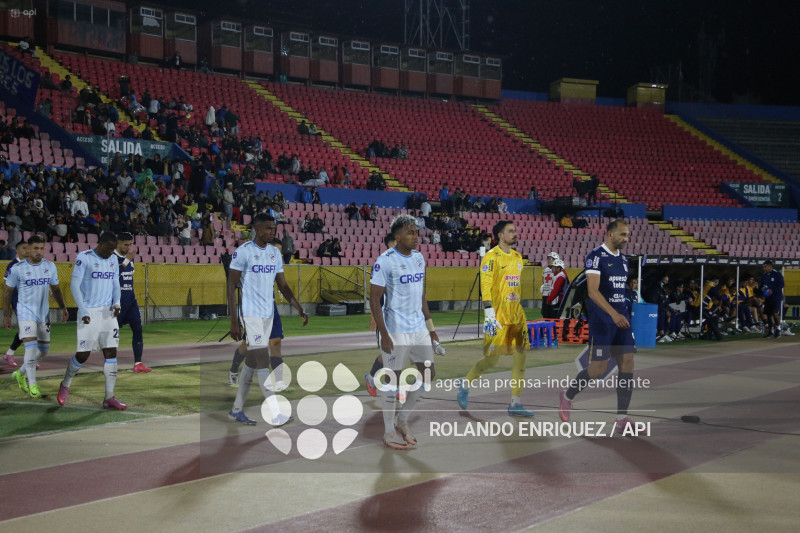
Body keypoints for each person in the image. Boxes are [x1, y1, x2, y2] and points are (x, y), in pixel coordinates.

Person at [227, 214, 307, 425]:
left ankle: (236, 410)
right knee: (263, 360)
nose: (272, 232)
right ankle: (275, 413)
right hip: (250, 314)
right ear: (256, 229)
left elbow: (282, 284)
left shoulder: (274, 253)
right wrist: (234, 321)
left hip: (268, 314)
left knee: (252, 363)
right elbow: (230, 286)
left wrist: (298, 307)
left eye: (274, 228)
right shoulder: (243, 252)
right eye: (268, 228)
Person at [559, 219, 637, 434]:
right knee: (597, 370)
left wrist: (624, 312)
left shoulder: (623, 260)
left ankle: (622, 418)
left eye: (627, 234)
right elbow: (593, 292)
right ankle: (567, 396)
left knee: (628, 362)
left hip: (622, 319)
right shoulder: (596, 256)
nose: (626, 238)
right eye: (622, 234)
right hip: (603, 320)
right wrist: (612, 314)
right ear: (610, 234)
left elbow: (620, 291)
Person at [370, 215, 441, 450]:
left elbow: (422, 296)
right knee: (393, 379)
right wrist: (384, 334)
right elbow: (374, 298)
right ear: (397, 236)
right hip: (396, 329)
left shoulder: (419, 259)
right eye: (410, 232)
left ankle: (402, 420)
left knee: (429, 374)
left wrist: (431, 331)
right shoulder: (385, 260)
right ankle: (389, 431)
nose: (415, 236)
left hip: (418, 327)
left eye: (416, 232)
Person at [457, 220, 535, 418]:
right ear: (500, 235)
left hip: (517, 316)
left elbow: (514, 287)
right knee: (492, 360)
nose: (515, 233)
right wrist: (489, 312)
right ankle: (465, 384)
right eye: (511, 231)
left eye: (515, 230)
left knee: (521, 358)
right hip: (496, 317)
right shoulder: (491, 257)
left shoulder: (518, 257)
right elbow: (485, 284)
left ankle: (515, 403)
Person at [57, 232, 126, 410]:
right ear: (100, 243)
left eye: (113, 250)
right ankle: (65, 383)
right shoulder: (84, 257)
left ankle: (109, 397)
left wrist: (116, 303)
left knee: (111, 352)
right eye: (108, 249)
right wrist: (83, 309)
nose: (111, 253)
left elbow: (115, 284)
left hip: (107, 313)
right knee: (83, 355)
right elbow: (74, 285)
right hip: (89, 312)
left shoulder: (112, 260)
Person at [4, 236, 68, 398]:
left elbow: (56, 289)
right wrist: (7, 314)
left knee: (44, 351)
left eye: (41, 248)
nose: (39, 252)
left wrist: (63, 307)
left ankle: (20, 373)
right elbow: (7, 291)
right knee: (30, 349)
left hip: (43, 314)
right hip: (25, 313)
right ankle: (33, 385)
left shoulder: (50, 266)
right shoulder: (18, 268)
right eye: (35, 248)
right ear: (29, 250)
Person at [228, 239, 293, 392]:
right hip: (253, 311)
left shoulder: (275, 265)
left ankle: (279, 381)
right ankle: (233, 371)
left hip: (271, 310)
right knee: (247, 346)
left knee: (275, 344)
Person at [115, 233, 151, 373]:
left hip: (130, 300)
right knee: (113, 334)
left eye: (130, 244)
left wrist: (129, 260)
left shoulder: (130, 259)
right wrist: (126, 260)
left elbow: (128, 278)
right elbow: (114, 274)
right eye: (125, 244)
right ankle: (110, 363)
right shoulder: (111, 257)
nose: (128, 247)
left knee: (137, 329)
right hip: (116, 302)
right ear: (118, 243)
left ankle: (138, 363)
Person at [2, 241, 30, 368]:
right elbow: (6, 287)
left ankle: (9, 353)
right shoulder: (13, 265)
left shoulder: (32, 263)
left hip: (32, 301)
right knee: (26, 330)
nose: (27, 250)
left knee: (31, 330)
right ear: (17, 250)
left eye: (28, 248)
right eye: (24, 248)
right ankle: (28, 359)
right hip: (18, 300)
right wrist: (7, 313)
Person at [760, 260, 784, 338]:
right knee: (769, 314)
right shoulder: (764, 275)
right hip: (768, 298)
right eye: (763, 267)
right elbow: (762, 285)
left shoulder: (777, 274)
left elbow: (782, 285)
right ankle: (771, 331)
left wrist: (772, 290)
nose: (764, 268)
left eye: (765, 267)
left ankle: (778, 329)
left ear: (770, 266)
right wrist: (761, 290)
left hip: (776, 297)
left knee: (775, 313)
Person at [540, 252, 559, 318]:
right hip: (545, 295)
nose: (549, 260)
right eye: (548, 258)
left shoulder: (558, 270)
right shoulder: (545, 270)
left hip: (554, 296)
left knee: (553, 314)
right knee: (545, 313)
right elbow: (543, 281)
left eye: (551, 258)